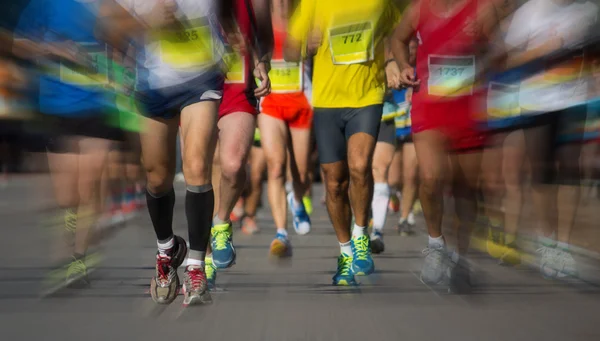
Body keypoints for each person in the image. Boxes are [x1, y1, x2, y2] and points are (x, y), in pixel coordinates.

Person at [96, 0, 266, 305]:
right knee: (157, 175)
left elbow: (231, 12)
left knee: (197, 165)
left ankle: (198, 266)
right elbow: (109, 22)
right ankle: (167, 250)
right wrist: (147, 21)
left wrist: (253, 60)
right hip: (152, 83)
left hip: (202, 77)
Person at [285, 0, 401, 285]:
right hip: (327, 102)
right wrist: (305, 47)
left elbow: (399, 33)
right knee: (335, 181)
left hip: (367, 97)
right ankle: (345, 251)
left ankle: (361, 235)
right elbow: (289, 51)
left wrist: (393, 61)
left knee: (360, 165)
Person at [391, 0, 499, 293]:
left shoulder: (482, 8)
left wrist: (482, 48)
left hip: (467, 107)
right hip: (429, 105)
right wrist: (404, 66)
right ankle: (436, 245)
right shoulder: (420, 8)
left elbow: (498, 53)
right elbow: (398, 39)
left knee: (465, 186)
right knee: (431, 177)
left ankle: (460, 256)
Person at [15, 0, 123, 288]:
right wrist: (52, 50)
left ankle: (78, 257)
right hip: (57, 108)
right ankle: (71, 250)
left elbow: (127, 39)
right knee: (67, 197)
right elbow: (19, 44)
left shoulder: (106, 5)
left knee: (88, 187)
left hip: (99, 106)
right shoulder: (44, 6)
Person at [503, 0, 599, 279]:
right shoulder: (530, 12)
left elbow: (594, 53)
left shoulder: (589, 11)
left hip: (574, 100)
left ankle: (564, 246)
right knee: (542, 174)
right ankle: (548, 241)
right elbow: (509, 59)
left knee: (571, 169)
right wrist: (544, 49)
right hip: (537, 103)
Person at [206, 0, 273, 288]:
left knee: (232, 165)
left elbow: (263, 37)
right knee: (204, 174)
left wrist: (261, 61)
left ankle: (222, 222)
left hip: (236, 88)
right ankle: (204, 257)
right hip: (196, 86)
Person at [258, 0, 313, 258]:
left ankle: (298, 200)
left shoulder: (304, 17)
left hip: (301, 100)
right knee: (276, 164)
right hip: (271, 102)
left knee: (301, 172)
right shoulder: (260, 17)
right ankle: (281, 232)